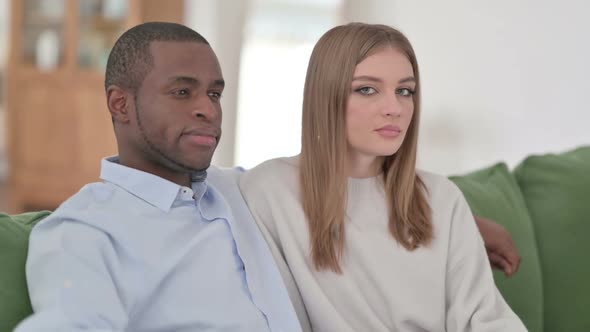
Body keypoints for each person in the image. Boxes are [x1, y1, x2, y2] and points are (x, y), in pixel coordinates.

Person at [15, 22, 302, 332]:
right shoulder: (85, 232)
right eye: (182, 92)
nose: (209, 109)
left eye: (215, 94)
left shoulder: (246, 191)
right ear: (120, 104)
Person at [239, 23, 527, 331]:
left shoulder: (441, 198)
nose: (395, 108)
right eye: (367, 89)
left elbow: (486, 319)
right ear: (326, 95)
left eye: (405, 91)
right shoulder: (267, 191)